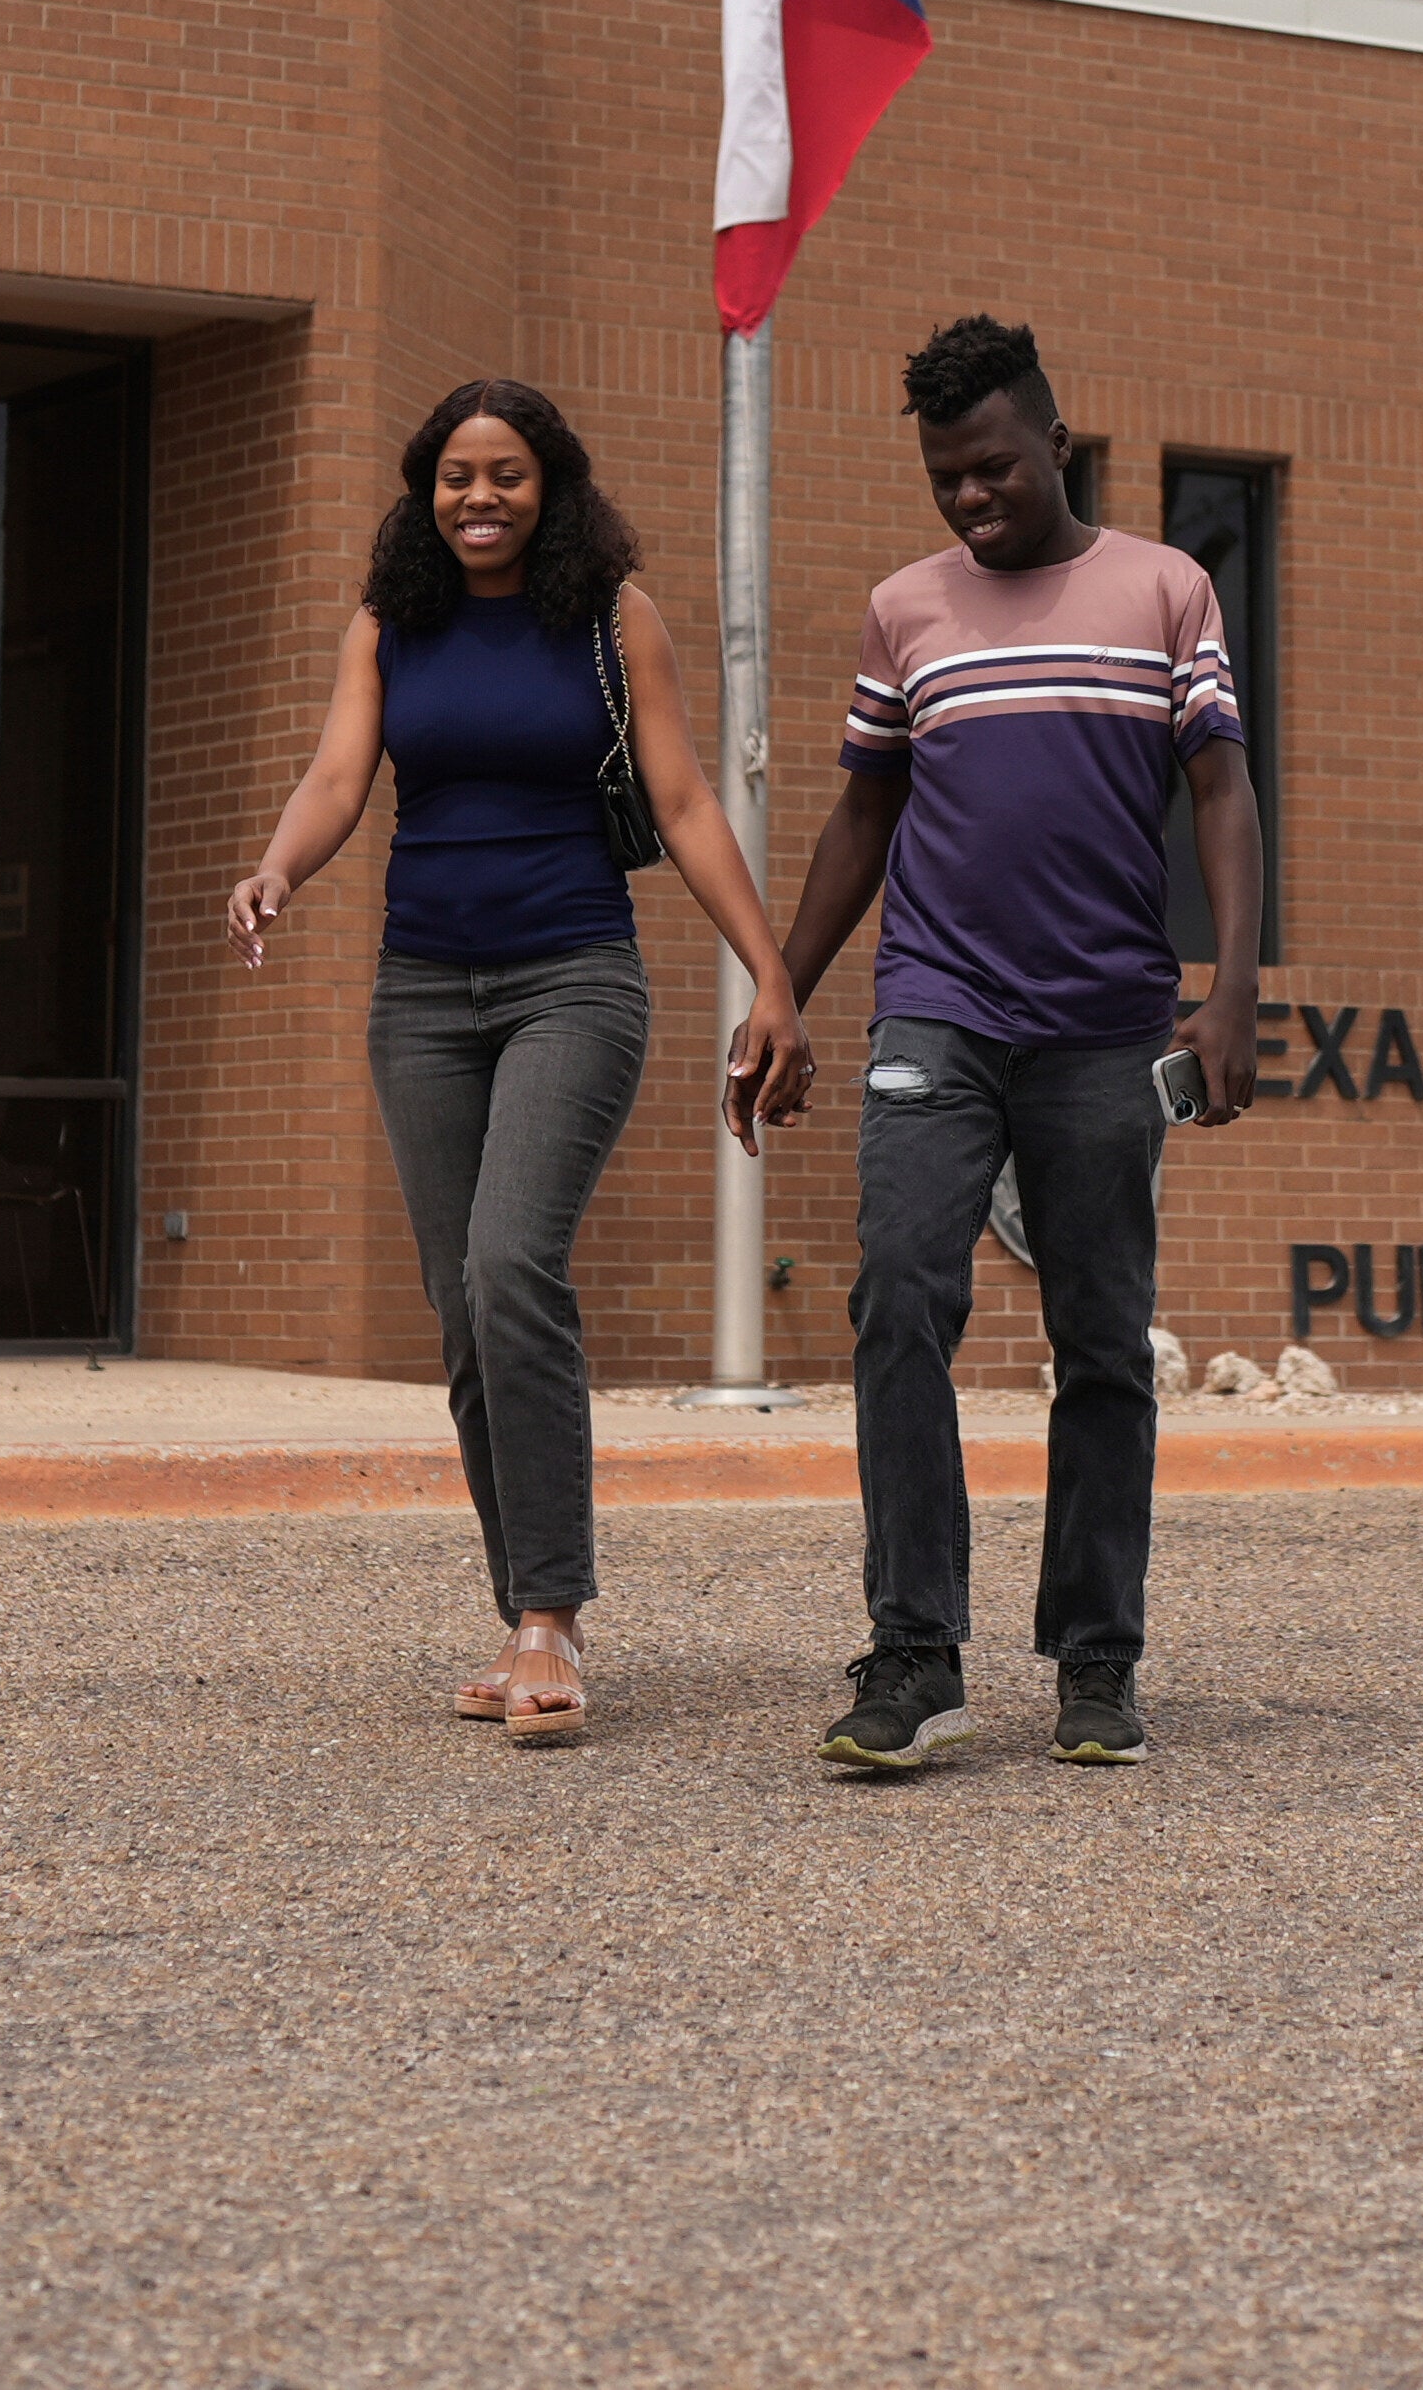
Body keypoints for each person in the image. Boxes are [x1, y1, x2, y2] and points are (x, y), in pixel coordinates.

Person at [229, 379, 810, 1744]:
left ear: (550, 484)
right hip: (422, 992)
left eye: (506, 474)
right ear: (424, 491)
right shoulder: (390, 622)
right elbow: (335, 777)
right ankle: (525, 1610)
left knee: (511, 1261)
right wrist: (275, 866)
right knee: (461, 1305)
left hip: (573, 979)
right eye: (453, 476)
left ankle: (550, 1611)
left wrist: (771, 970)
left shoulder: (613, 619)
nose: (478, 498)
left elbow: (678, 800)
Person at [773, 314, 1262, 1772]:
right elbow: (865, 810)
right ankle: (913, 1649)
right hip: (938, 1004)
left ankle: (1097, 1657)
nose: (972, 499)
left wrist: (1229, 987)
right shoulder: (904, 610)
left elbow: (1223, 790)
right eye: (946, 479)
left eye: (993, 467)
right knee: (899, 1298)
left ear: (1058, 437)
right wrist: (782, 988)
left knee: (1099, 1341)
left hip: (1107, 1024)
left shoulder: (1165, 587)